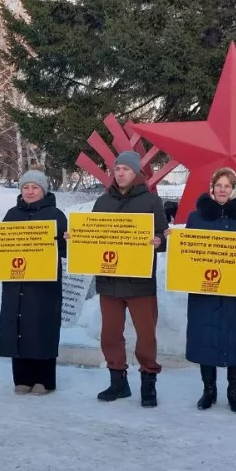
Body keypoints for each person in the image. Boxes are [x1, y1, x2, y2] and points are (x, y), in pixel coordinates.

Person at [71, 150, 167, 407]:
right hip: (110, 281)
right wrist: (77, 238)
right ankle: (118, 382)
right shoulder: (103, 203)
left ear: (136, 173)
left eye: (125, 169)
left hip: (139, 282)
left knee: (146, 335)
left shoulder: (150, 201)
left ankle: (148, 383)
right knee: (110, 335)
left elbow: (163, 236)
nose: (120, 173)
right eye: (117, 169)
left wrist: (159, 241)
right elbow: (92, 237)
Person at [178, 168, 236, 413]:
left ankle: (234, 392)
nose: (222, 189)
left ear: (234, 189)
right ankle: (209, 390)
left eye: (227, 185)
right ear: (211, 188)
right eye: (218, 185)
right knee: (206, 337)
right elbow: (188, 252)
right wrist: (177, 243)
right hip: (205, 290)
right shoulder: (196, 217)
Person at [0, 168, 67, 395]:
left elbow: (66, 251)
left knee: (41, 326)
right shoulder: (11, 214)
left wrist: (68, 240)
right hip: (16, 279)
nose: (29, 191)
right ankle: (22, 378)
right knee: (18, 325)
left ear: (43, 190)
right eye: (25, 187)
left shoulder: (56, 215)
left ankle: (44, 380)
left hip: (43, 284)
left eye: (34, 187)